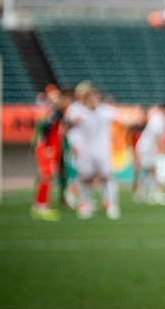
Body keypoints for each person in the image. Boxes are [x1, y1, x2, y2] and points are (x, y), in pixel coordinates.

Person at [65, 81, 121, 219]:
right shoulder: (77, 111)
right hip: (85, 152)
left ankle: (111, 204)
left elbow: (122, 117)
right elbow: (70, 130)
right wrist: (74, 146)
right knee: (85, 178)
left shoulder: (105, 111)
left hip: (103, 151)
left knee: (106, 177)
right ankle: (85, 204)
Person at [30, 85, 70, 221]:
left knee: (47, 176)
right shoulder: (54, 113)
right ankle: (41, 206)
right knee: (46, 175)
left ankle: (39, 205)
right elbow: (45, 129)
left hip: (50, 147)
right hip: (48, 148)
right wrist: (46, 147)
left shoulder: (56, 113)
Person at [133, 104, 165, 205]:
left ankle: (141, 192)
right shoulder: (159, 118)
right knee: (153, 169)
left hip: (144, 147)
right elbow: (154, 134)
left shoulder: (156, 118)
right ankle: (154, 193)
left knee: (147, 169)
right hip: (148, 148)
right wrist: (156, 147)